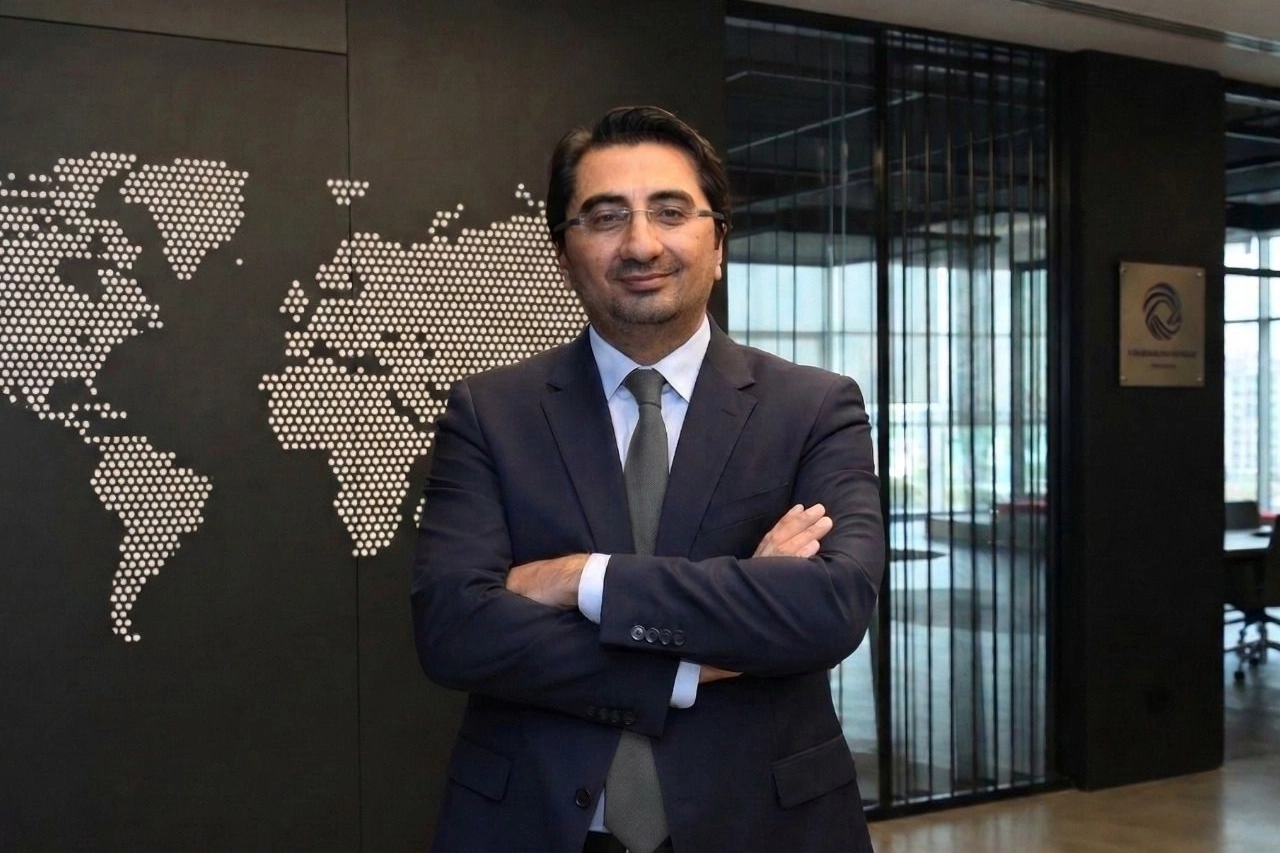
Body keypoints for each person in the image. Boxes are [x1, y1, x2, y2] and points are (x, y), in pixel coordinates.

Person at [412, 105, 884, 853]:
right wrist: (704, 651)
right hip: (535, 824)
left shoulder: (814, 407)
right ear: (563, 253)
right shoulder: (490, 413)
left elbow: (830, 606)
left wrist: (579, 578)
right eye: (605, 217)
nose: (640, 243)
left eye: (670, 211)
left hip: (763, 825)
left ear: (718, 242)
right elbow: (454, 630)